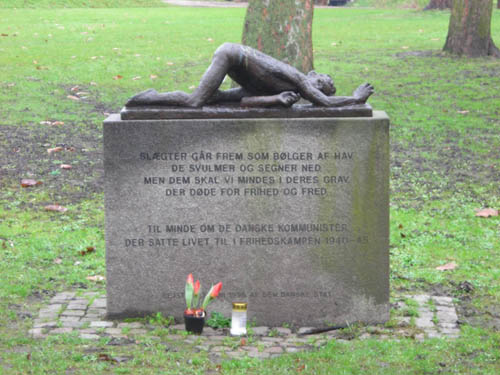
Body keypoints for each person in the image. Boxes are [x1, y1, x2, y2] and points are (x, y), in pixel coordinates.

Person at [126, 43, 373, 108]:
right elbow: (327, 104)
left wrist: (275, 100)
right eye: (321, 82)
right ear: (313, 75)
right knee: (195, 101)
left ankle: (153, 97)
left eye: (324, 88)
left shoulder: (281, 89)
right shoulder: (297, 78)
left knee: (215, 98)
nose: (319, 88)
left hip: (235, 61)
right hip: (232, 55)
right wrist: (356, 98)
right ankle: (146, 98)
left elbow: (243, 100)